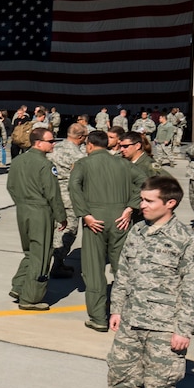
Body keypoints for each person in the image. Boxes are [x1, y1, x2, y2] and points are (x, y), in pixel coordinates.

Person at [88, 176, 194, 388]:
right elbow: (124, 272)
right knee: (120, 373)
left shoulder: (184, 239)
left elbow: (193, 288)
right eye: (141, 199)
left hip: (164, 327)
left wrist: (184, 329)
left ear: (170, 203)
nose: (142, 205)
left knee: (160, 383)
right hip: (131, 320)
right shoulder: (138, 231)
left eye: (148, 201)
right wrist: (116, 309)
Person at [69, 130, 136, 332]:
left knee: (94, 269)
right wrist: (130, 207)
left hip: (95, 220)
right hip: (120, 220)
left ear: (89, 145)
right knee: (123, 267)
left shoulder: (83, 164)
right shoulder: (124, 163)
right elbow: (145, 181)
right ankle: (124, 313)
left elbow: (74, 187)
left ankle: (98, 318)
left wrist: (85, 214)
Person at [7, 128, 65, 310]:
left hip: (23, 210)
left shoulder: (17, 161)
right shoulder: (45, 165)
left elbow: (11, 186)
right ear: (38, 143)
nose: (53, 144)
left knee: (29, 251)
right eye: (50, 141)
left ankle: (19, 286)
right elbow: (52, 193)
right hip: (40, 211)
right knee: (41, 255)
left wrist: (22, 203)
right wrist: (61, 216)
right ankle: (31, 298)